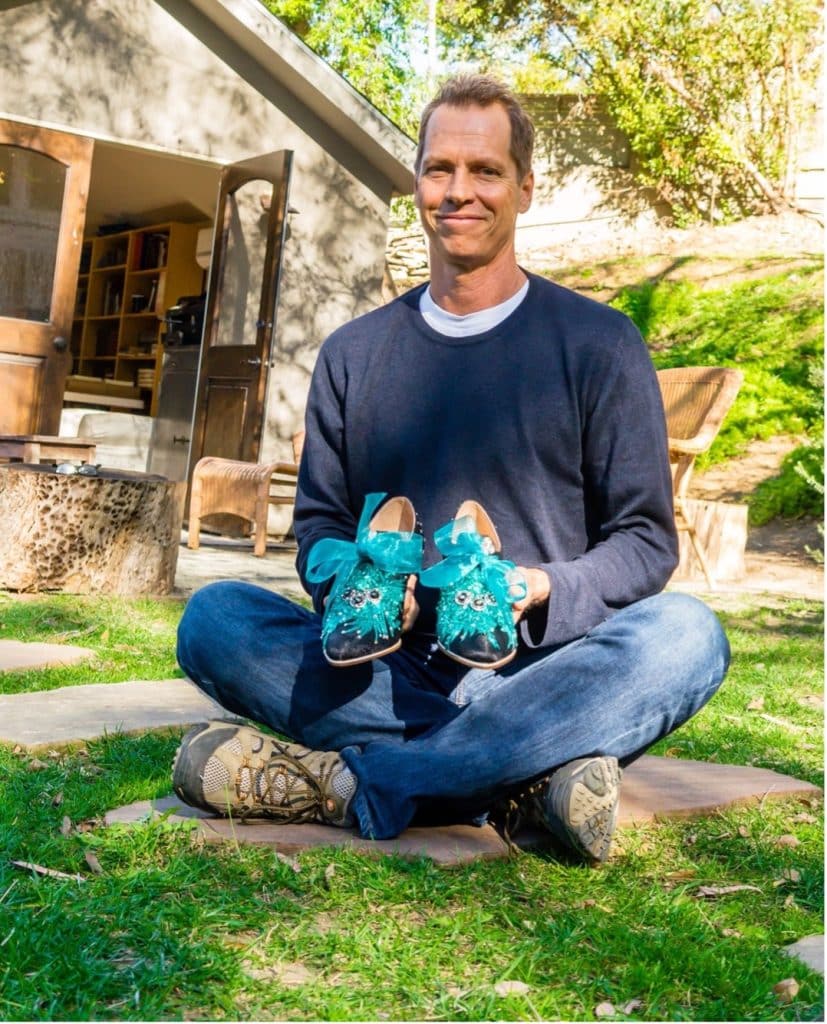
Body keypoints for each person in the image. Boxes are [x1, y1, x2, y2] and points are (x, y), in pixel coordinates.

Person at [173, 73, 730, 863]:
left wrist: (536, 587)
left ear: (524, 189)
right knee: (215, 619)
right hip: (386, 673)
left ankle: (353, 783)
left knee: (687, 635)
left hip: (546, 674)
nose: (458, 191)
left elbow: (644, 542)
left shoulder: (598, 345)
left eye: (485, 171)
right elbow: (320, 528)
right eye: (440, 169)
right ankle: (525, 781)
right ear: (416, 183)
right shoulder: (353, 354)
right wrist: (352, 593)